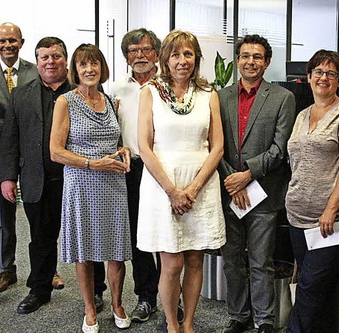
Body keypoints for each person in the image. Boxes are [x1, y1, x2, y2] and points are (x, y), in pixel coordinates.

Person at [136, 29, 225, 333]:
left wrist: (193, 188)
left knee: (195, 260)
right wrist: (173, 191)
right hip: (163, 185)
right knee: (172, 263)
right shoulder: (149, 91)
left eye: (188, 54)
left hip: (200, 184)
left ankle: (188, 323)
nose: (182, 60)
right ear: (165, 59)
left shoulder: (208, 94)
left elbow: (218, 147)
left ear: (196, 58)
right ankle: (172, 324)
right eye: (175, 54)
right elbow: (144, 146)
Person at [49, 43, 133, 333]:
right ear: (75, 69)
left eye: (94, 63)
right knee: (84, 250)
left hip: (113, 183)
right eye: (83, 64)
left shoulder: (109, 101)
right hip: (82, 183)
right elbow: (56, 151)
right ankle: (89, 310)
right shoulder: (66, 102)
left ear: (102, 67)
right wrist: (92, 163)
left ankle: (117, 303)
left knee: (117, 250)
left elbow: (113, 139)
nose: (89, 69)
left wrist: (122, 150)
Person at [284, 50, 339, 333]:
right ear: (307, 77)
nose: (324, 78)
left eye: (331, 74)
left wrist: (330, 209)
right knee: (322, 291)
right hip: (298, 217)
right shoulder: (303, 114)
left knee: (309, 287)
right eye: (318, 72)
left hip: (333, 219)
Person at [218, 34, 295, 333]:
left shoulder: (282, 98)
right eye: (245, 55)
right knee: (232, 260)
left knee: (261, 261)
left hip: (264, 192)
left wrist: (247, 175)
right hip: (229, 192)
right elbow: (216, 144)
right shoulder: (221, 97)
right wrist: (231, 181)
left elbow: (280, 147)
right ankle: (239, 315)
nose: (251, 61)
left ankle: (264, 320)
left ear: (267, 62)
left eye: (257, 56)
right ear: (237, 60)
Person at [0, 37, 71, 315]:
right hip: (35, 180)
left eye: (56, 56)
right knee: (40, 238)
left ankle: (97, 289)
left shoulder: (82, 92)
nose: (50, 62)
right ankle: (39, 289)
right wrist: (8, 176)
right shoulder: (21, 94)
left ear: (65, 60)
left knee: (85, 236)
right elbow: (10, 139)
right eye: (45, 57)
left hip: (75, 181)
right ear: (37, 61)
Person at [109, 28, 162, 323]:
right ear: (126, 56)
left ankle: (172, 297)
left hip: (163, 169)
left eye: (144, 49)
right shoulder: (116, 88)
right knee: (139, 235)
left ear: (156, 53)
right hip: (130, 168)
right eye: (132, 51)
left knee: (167, 234)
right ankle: (146, 296)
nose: (139, 55)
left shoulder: (168, 85)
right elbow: (110, 129)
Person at [0, 22, 38, 294]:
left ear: (22, 42)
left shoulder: (36, 71)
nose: (8, 45)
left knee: (40, 213)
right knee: (4, 217)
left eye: (12, 40)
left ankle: (44, 269)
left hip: (31, 153)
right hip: (1, 156)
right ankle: (7, 270)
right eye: (2, 41)